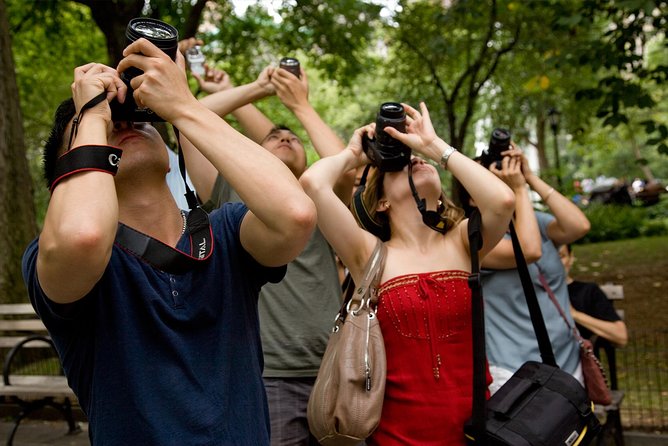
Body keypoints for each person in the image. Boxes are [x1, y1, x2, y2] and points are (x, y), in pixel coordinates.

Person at [22, 38, 316, 445]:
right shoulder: (53, 256)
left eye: (139, 118)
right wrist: (90, 112)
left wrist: (183, 105)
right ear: (66, 173)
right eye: (108, 124)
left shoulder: (225, 234)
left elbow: (295, 214)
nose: (123, 121)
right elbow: (84, 235)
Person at [299, 102, 516, 445]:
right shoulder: (367, 254)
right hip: (397, 435)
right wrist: (355, 153)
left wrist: (434, 147)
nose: (414, 159)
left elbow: (503, 200)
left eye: (421, 159)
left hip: (475, 432)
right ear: (381, 201)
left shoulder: (462, 240)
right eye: (401, 163)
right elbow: (313, 183)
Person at [178, 50, 353, 445]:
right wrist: (257, 88)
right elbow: (188, 118)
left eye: (292, 136)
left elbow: (349, 163)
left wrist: (302, 106)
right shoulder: (229, 187)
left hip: (334, 368)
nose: (285, 135)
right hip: (265, 372)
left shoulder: (319, 193)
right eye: (273, 136)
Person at [466, 148, 591, 393]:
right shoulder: (474, 238)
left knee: (572, 431)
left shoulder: (536, 222)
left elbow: (579, 226)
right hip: (515, 368)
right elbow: (529, 251)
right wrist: (519, 190)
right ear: (472, 196)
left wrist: (530, 178)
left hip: (566, 359)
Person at [560, 244, 628, 346]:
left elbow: (620, 336)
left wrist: (574, 314)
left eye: (560, 256)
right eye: (548, 257)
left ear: (571, 258)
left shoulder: (588, 291)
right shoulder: (532, 294)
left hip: (578, 359)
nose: (553, 263)